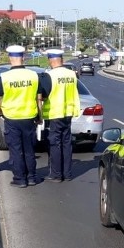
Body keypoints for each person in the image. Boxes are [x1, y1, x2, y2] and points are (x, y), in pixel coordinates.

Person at [0, 45, 43, 188]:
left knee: (16, 149)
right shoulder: (34, 76)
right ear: (23, 58)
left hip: (12, 118)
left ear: (10, 58)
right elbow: (39, 99)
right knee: (29, 149)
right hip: (29, 117)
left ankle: (20, 179)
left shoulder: (4, 77)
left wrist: (0, 113)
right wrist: (39, 116)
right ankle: (32, 177)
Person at [39, 48, 80, 182]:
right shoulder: (71, 74)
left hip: (54, 113)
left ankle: (56, 174)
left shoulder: (49, 76)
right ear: (61, 60)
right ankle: (67, 174)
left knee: (55, 144)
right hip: (68, 113)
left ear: (50, 60)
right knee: (67, 143)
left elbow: (43, 96)